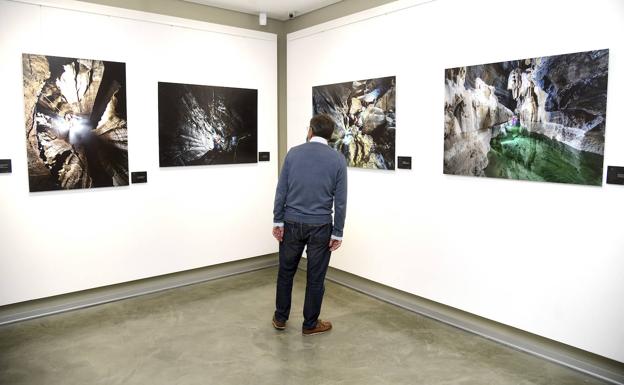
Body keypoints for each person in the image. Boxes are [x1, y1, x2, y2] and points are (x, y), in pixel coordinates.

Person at [271, 114, 348, 336]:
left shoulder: (293, 154)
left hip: (292, 222)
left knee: (286, 273)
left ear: (311, 131)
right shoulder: (337, 160)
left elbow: (281, 191)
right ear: (330, 135)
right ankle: (310, 324)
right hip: (321, 226)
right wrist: (338, 232)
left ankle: (280, 318)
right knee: (316, 277)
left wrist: (278, 220)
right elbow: (340, 201)